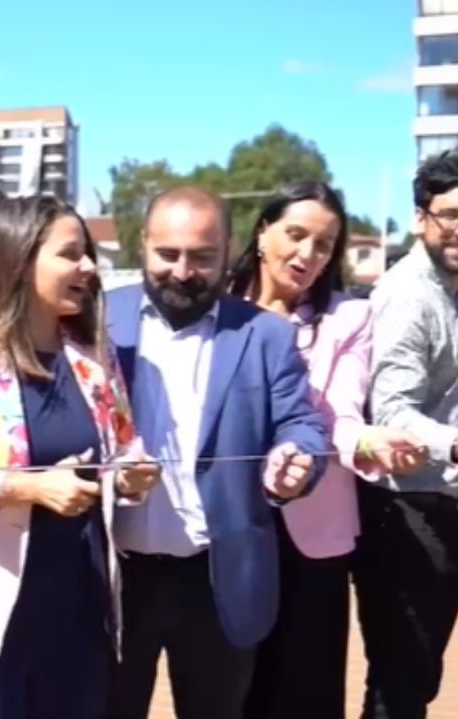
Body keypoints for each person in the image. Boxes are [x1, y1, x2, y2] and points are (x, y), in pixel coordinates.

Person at [0, 196, 158, 719]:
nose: (88, 266)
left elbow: (125, 447)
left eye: (86, 252)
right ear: (21, 260)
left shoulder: (94, 355)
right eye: (70, 253)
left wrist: (134, 475)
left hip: (77, 613)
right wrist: (32, 487)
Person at [105, 186, 328, 719]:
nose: (183, 271)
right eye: (168, 254)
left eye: (202, 257)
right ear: (144, 245)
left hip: (217, 580)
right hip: (113, 578)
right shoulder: (96, 320)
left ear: (228, 250)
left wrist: (297, 459)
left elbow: (301, 423)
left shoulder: (266, 335)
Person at [226, 181, 423, 719]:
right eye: (296, 235)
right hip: (230, 527)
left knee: (306, 693)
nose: (308, 254)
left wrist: (363, 439)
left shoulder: (349, 319)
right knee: (230, 691)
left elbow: (339, 410)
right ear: (263, 231)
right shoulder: (215, 312)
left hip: (316, 536)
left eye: (324, 244)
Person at [359, 149, 458, 718]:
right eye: (450, 214)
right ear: (421, 217)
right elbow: (394, 410)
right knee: (403, 682)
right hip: (411, 514)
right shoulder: (406, 295)